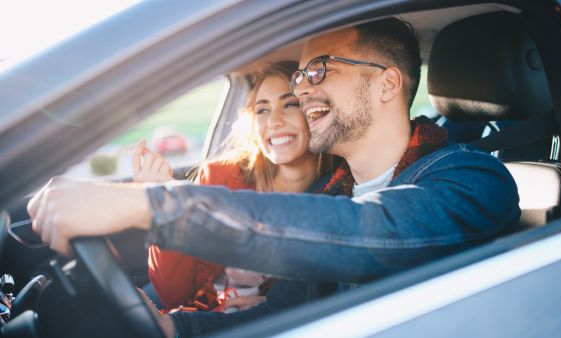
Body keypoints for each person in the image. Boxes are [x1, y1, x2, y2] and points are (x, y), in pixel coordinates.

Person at [28, 18, 520, 337]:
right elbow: (284, 311)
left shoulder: (473, 177)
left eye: (319, 71)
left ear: (388, 82)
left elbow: (367, 232)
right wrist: (177, 329)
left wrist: (151, 204)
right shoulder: (336, 190)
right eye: (300, 77)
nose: (302, 92)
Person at [132, 61, 334, 331]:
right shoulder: (223, 178)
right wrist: (168, 209)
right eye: (262, 110)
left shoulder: (338, 190)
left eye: (290, 104)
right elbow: (174, 293)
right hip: (199, 317)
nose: (274, 121)